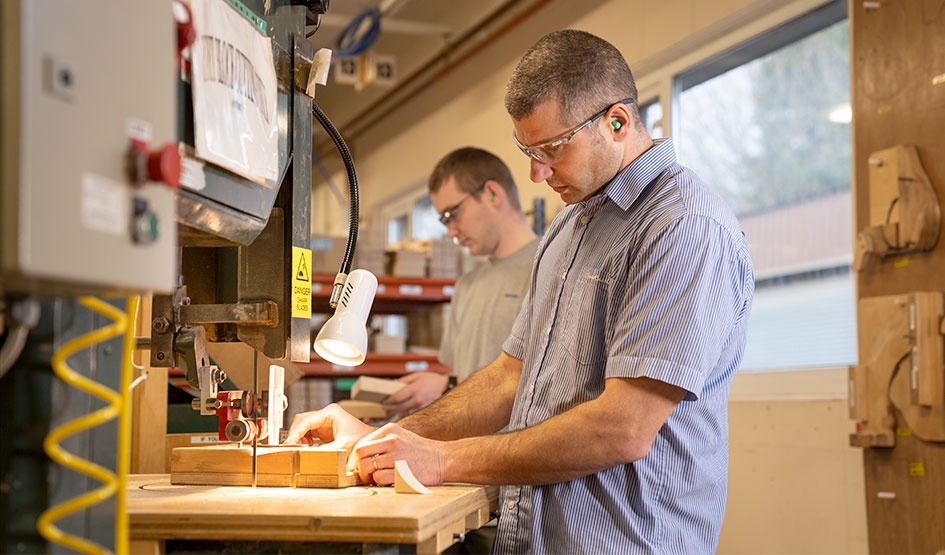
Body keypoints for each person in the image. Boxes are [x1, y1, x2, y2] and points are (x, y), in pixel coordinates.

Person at [287, 29, 754, 553]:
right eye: (526, 150)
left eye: (552, 148)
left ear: (617, 122)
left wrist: (443, 459)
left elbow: (622, 428)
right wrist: (385, 440)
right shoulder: (569, 228)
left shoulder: (683, 227)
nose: (535, 174)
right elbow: (511, 376)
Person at [380, 147, 539, 417]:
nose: (451, 232)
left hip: (516, 453)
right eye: (444, 221)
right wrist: (418, 396)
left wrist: (447, 387)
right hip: (461, 454)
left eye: (453, 214)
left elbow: (547, 383)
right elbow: (459, 377)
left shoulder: (548, 270)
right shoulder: (466, 287)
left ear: (492, 193)